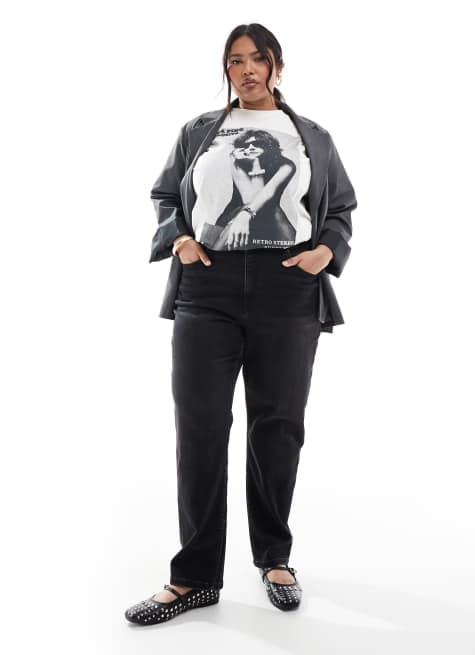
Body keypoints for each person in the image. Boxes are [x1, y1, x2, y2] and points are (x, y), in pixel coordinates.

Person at [125, 23, 357, 626]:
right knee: (199, 426)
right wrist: (179, 239)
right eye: (235, 61)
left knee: (278, 427)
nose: (247, 69)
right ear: (225, 69)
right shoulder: (199, 131)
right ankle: (195, 577)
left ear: (277, 66)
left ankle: (274, 559)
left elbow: (340, 207)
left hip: (289, 287)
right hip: (208, 286)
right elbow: (165, 196)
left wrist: (325, 252)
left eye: (258, 59)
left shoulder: (312, 137)